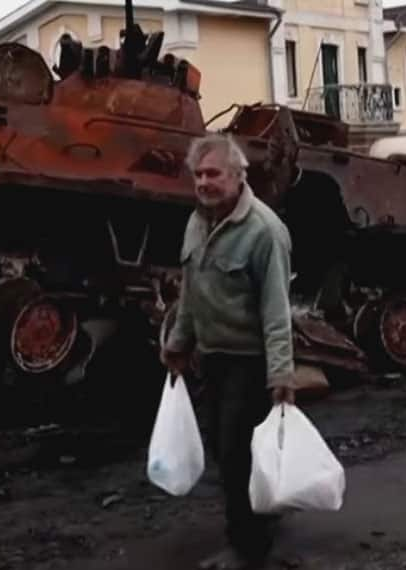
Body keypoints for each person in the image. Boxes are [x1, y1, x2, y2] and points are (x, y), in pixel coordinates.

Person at [161, 133, 297, 569]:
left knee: (233, 451)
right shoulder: (197, 222)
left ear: (238, 176)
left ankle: (246, 548)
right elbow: (191, 293)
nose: (203, 182)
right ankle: (265, 511)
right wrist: (178, 344)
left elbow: (277, 311)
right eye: (198, 174)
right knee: (228, 451)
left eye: (213, 173)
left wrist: (281, 375)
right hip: (212, 356)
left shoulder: (264, 232)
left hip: (248, 359)